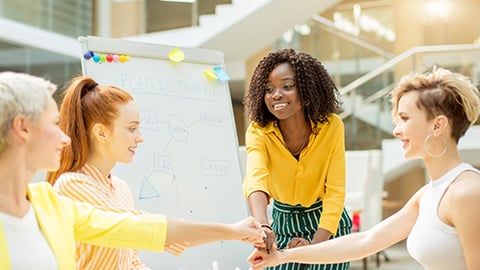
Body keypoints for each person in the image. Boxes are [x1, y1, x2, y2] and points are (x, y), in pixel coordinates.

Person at [0, 71, 264, 270]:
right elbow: (143, 230)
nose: (65, 137)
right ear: (22, 128)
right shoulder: (70, 187)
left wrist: (233, 231)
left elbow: (142, 237)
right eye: (54, 124)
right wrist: (232, 230)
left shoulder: (50, 204)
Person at [247, 67, 480, 270]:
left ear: (438, 125)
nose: (397, 130)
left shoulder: (467, 193)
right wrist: (281, 256)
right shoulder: (429, 195)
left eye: (405, 118)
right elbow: (366, 241)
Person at [45, 75, 185, 269]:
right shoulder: (71, 185)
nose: (140, 137)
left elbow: (131, 261)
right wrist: (172, 233)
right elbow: (126, 227)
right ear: (101, 133)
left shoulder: (121, 188)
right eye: (132, 128)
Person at [242, 48, 352, 270]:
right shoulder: (258, 131)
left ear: (307, 89)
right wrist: (264, 228)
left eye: (287, 86)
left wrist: (313, 248)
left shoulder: (331, 127)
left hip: (327, 225)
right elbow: (256, 179)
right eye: (269, 89)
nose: (276, 94)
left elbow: (335, 191)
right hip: (282, 224)